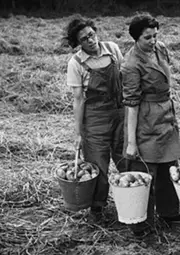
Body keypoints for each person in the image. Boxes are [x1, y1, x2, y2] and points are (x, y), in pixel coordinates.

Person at [121, 13, 180, 236]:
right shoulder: (131, 64)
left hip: (166, 112)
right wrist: (131, 141)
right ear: (136, 39)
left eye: (155, 35)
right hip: (145, 119)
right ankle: (142, 223)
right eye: (147, 37)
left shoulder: (161, 49)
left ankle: (169, 212)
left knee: (169, 166)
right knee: (146, 170)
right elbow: (131, 104)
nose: (153, 41)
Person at [65, 17, 126, 221]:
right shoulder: (76, 63)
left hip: (119, 113)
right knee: (98, 164)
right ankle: (98, 207)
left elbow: (124, 79)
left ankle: (132, 197)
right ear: (78, 43)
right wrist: (78, 132)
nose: (91, 40)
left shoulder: (113, 49)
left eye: (92, 34)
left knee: (126, 157)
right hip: (95, 119)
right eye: (84, 39)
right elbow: (78, 99)